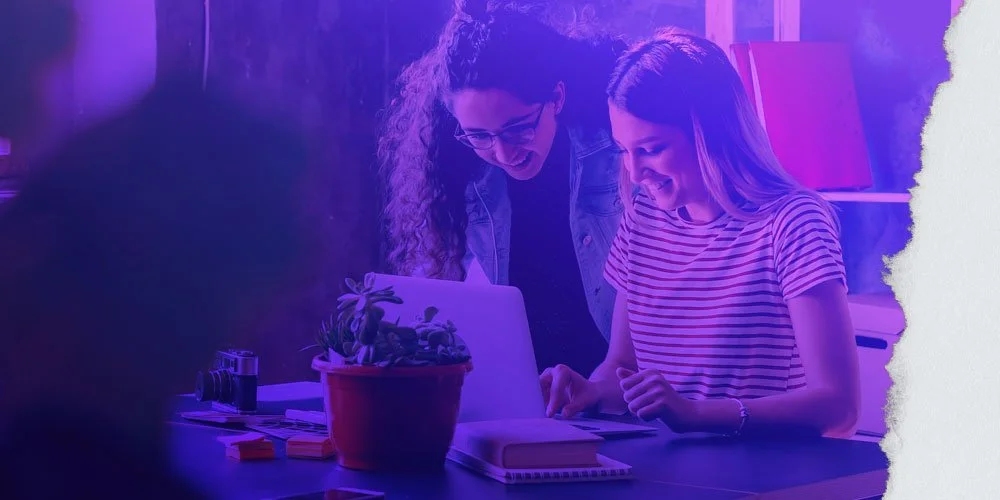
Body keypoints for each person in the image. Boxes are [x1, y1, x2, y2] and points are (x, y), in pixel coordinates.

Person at [540, 29, 861, 439]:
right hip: (670, 472)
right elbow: (623, 366)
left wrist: (696, 414)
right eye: (624, 150)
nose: (635, 174)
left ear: (710, 133)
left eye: (652, 149)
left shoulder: (793, 222)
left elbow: (839, 404)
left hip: (770, 476)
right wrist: (593, 391)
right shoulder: (642, 219)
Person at [379, 0, 626, 372]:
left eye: (517, 128)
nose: (503, 152)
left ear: (556, 97)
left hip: (616, 391)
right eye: (479, 135)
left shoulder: (617, 153)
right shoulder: (463, 177)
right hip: (525, 395)